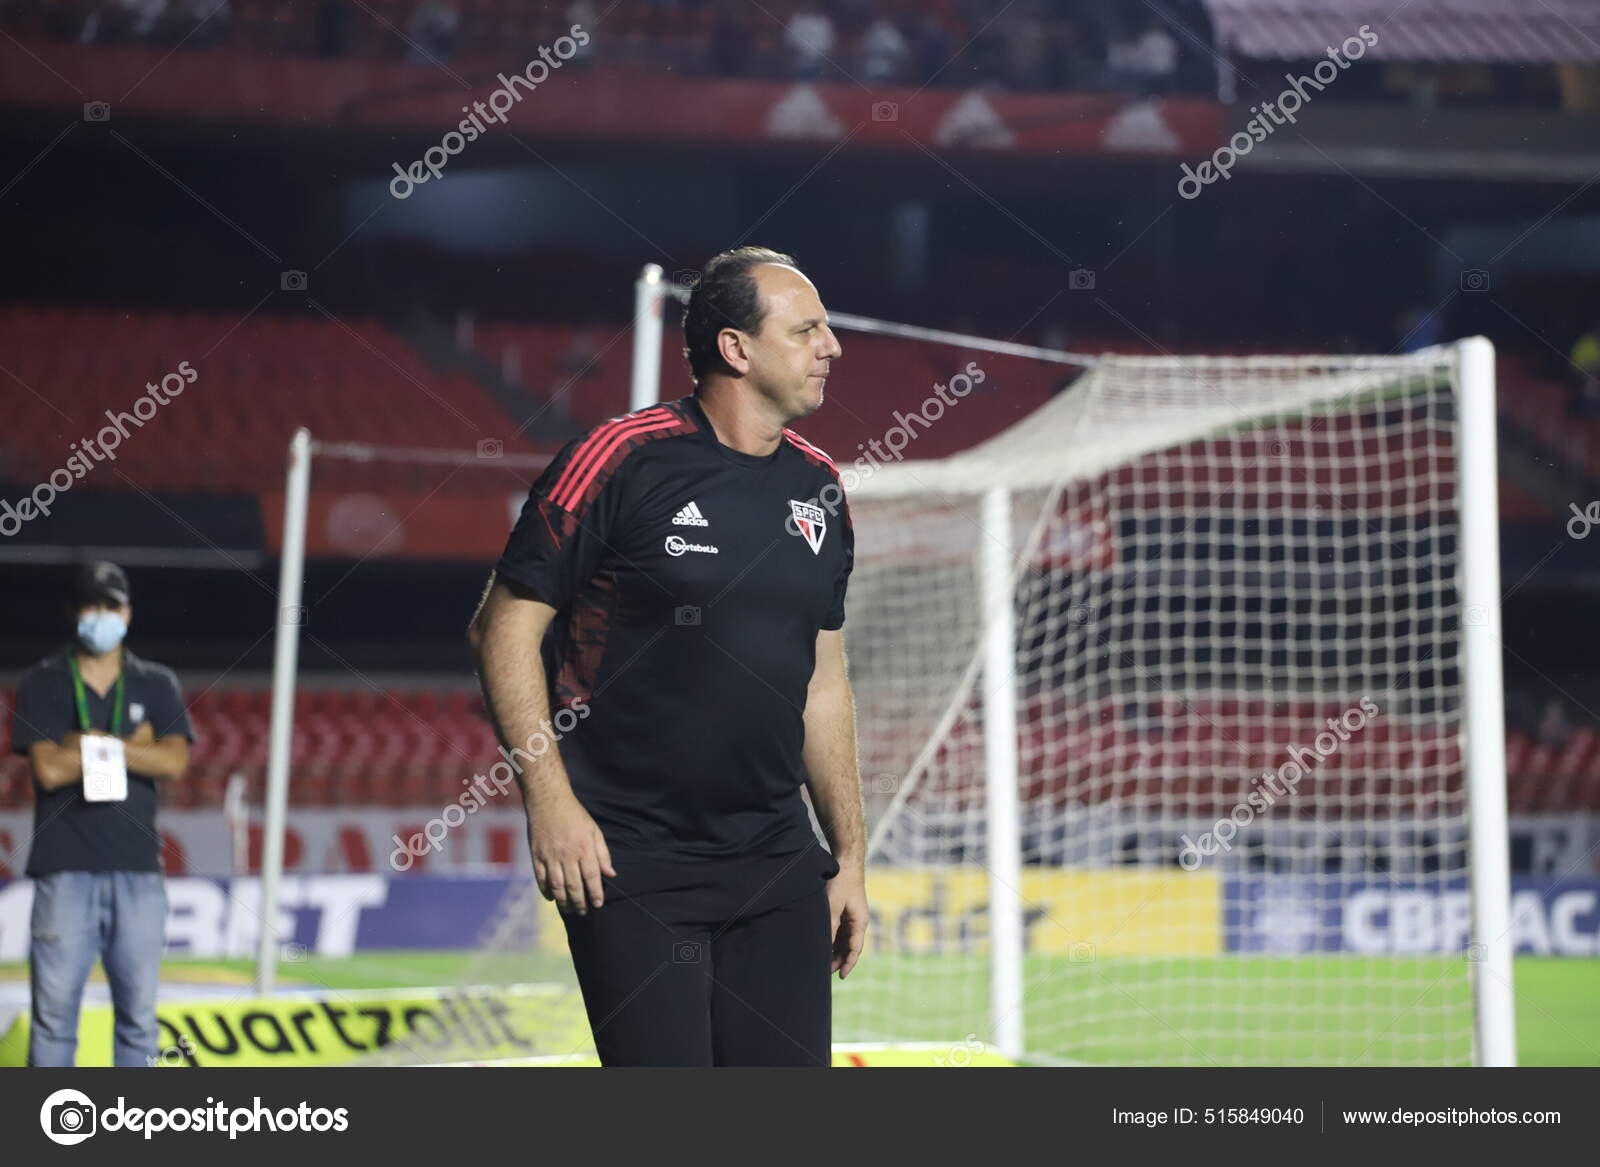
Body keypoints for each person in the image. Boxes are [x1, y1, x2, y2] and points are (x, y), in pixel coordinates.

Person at [469, 246, 867, 1066]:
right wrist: (551, 802)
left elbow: (824, 683)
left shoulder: (821, 486)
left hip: (775, 860)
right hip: (630, 859)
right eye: (808, 329)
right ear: (737, 348)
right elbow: (501, 629)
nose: (833, 346)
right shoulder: (620, 458)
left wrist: (850, 858)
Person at [11, 561, 192, 1067]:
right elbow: (46, 770)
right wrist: (134, 747)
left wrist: (86, 744)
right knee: (53, 1021)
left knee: (138, 1019)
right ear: (72, 613)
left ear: (127, 613)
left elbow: (174, 759)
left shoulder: (156, 682)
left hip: (137, 871)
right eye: (90, 605)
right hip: (63, 870)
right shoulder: (43, 681)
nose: (101, 616)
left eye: (110, 605)